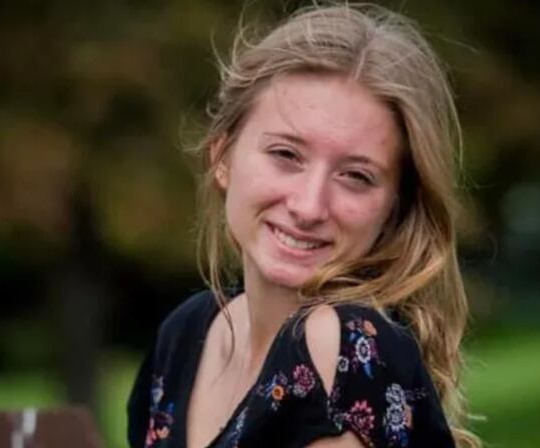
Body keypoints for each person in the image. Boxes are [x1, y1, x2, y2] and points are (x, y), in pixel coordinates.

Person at [127, 3, 480, 447]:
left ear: (394, 207)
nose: (310, 206)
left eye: (356, 176)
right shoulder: (184, 336)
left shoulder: (344, 346)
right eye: (286, 155)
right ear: (222, 157)